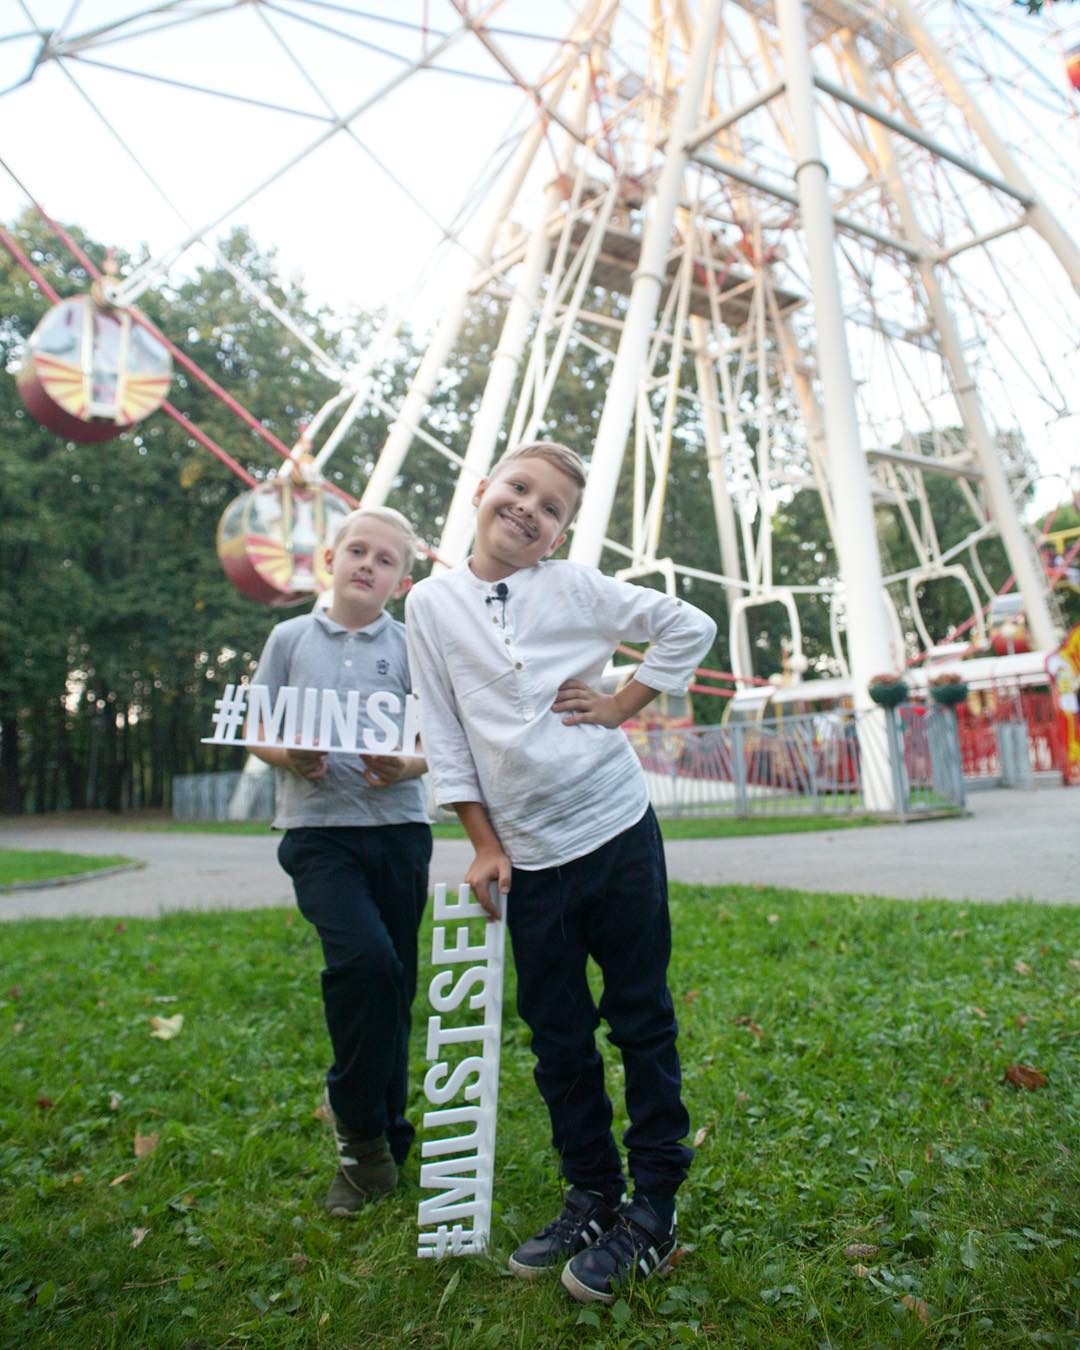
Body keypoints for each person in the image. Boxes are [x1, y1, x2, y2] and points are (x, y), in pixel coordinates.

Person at [405, 442, 716, 1304]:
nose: (530, 510)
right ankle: (593, 1194)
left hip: (615, 829)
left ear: (559, 534)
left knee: (641, 1017)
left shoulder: (576, 589)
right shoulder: (430, 605)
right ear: (481, 491)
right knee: (558, 1038)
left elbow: (691, 626)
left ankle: (654, 1203)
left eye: (551, 509)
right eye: (518, 490)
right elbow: (446, 731)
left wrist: (622, 704)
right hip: (529, 855)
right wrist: (483, 841)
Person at [251, 506, 430, 1217]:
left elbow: (438, 739)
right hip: (318, 831)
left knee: (396, 983)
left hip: (398, 832)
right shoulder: (290, 638)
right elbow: (257, 727)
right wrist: (288, 755)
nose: (368, 564)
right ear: (330, 557)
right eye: (357, 550)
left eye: (385, 559)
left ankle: (386, 1138)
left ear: (402, 579)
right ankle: (358, 1136)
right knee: (364, 964)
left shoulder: (415, 647)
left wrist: (409, 766)